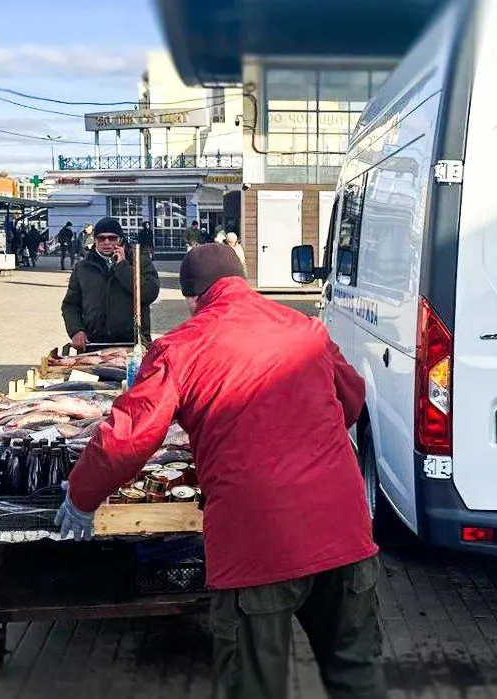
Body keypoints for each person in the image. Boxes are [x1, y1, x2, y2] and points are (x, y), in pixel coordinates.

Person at [57, 243, 384, 699]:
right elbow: (350, 399)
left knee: (256, 684)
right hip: (344, 532)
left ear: (193, 298)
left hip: (257, 542)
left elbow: (127, 439)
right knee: (358, 675)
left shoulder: (181, 347)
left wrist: (81, 494)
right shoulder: (305, 328)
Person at [60, 217, 159, 349]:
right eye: (101, 238)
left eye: (112, 238)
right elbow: (70, 305)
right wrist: (76, 330)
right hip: (94, 345)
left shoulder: (139, 262)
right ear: (95, 240)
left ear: (120, 239)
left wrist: (123, 267)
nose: (106, 242)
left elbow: (149, 293)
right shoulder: (83, 267)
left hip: (133, 344)